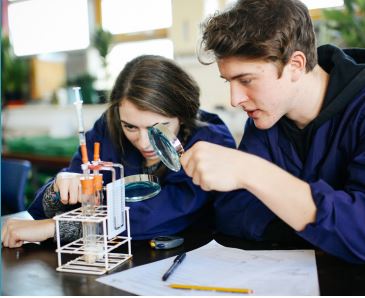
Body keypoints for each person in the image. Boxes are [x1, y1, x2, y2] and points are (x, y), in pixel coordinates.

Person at [180, 0, 365, 263]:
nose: (235, 99)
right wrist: (322, 228)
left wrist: (251, 172)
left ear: (296, 65)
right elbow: (233, 211)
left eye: (246, 80)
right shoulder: (266, 118)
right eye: (229, 82)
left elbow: (360, 230)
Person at [2, 55, 236, 248]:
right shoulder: (109, 127)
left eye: (158, 128)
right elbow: (49, 210)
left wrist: (59, 229)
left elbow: (157, 215)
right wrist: (59, 187)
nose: (144, 142)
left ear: (183, 116)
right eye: (130, 127)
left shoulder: (210, 141)